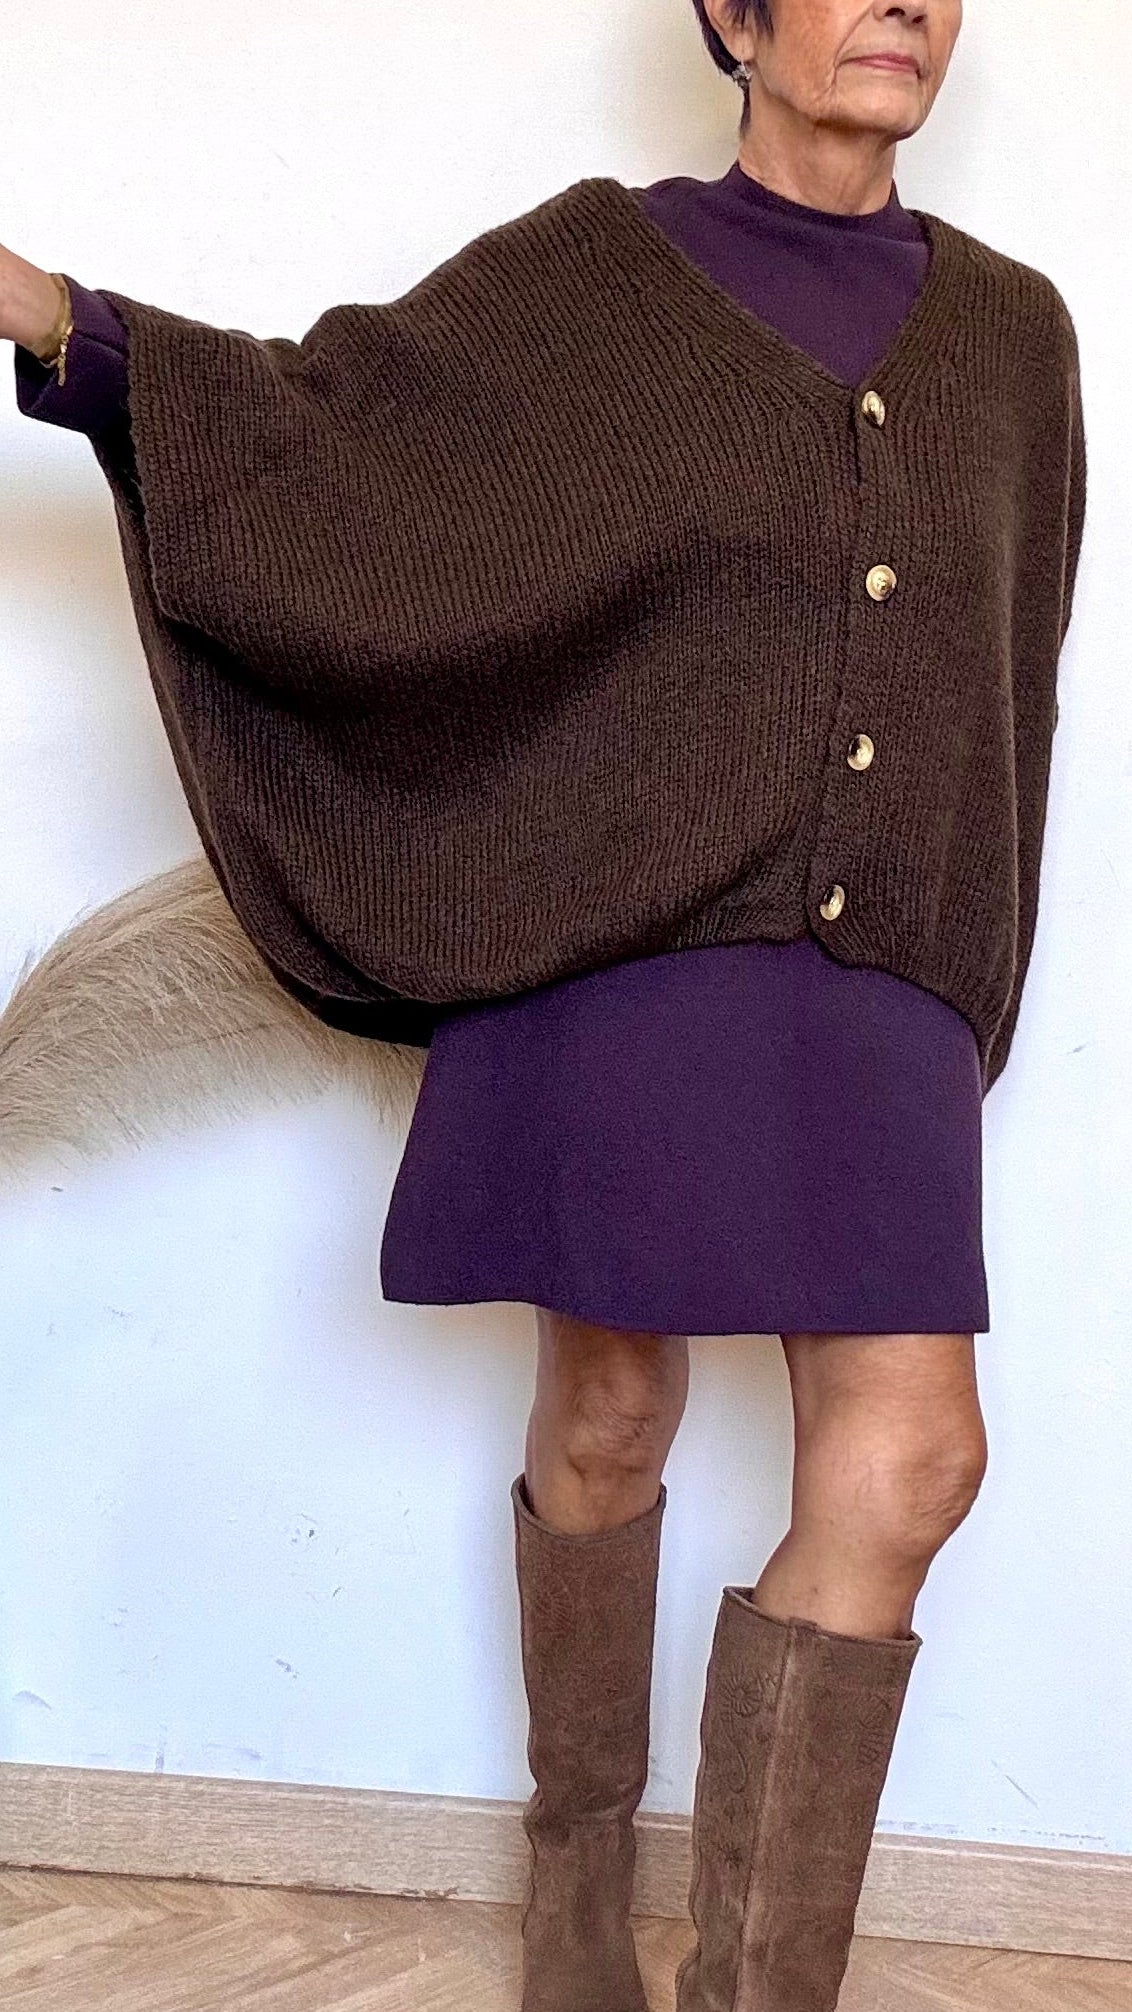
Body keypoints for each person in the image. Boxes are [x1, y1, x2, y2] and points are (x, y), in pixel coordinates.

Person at [1, 1, 1086, 2007]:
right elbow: (336, 444)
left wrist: (959, 979)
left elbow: (994, 686)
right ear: (734, 17)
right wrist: (66, 322)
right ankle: (578, 1908)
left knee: (917, 1456)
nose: (902, 3)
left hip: (877, 980)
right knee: (607, 1409)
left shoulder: (1016, 337)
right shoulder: (597, 280)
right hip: (613, 934)